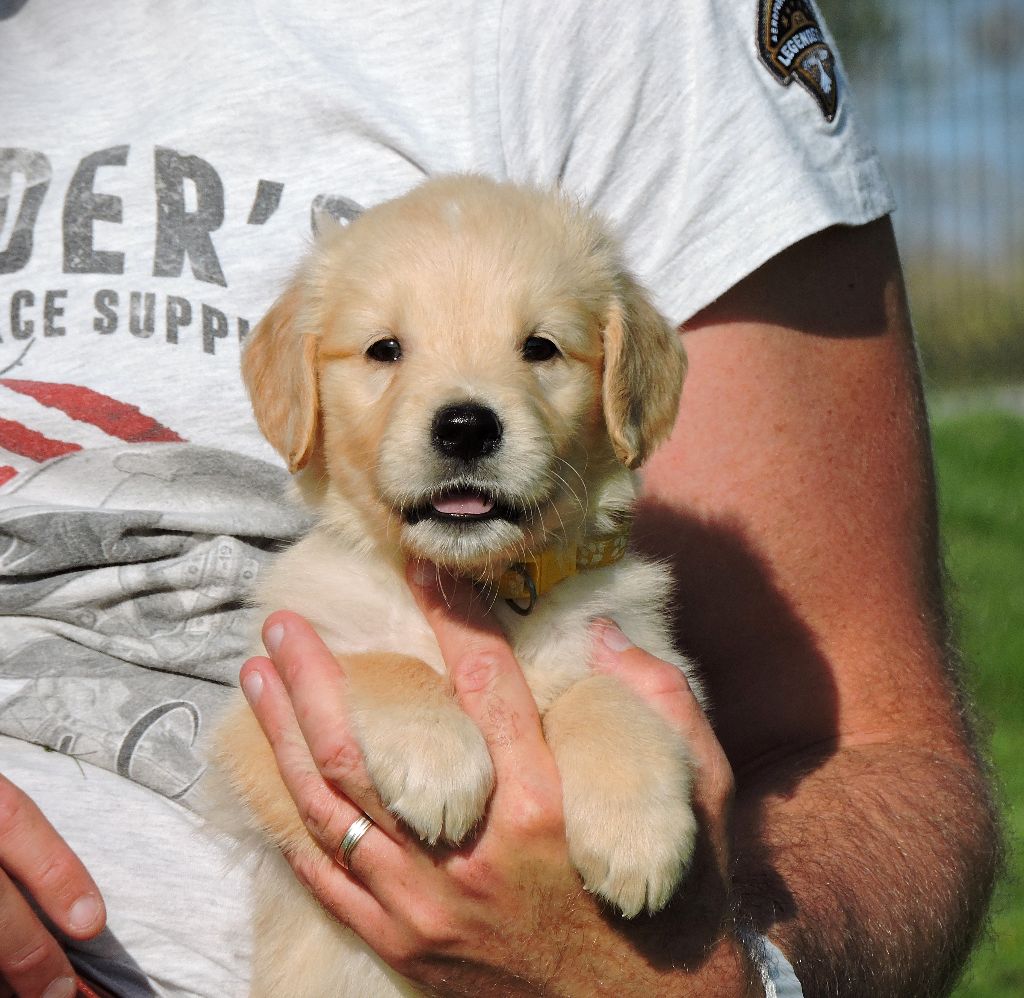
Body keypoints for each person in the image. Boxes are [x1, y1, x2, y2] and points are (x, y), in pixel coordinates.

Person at [0, 2, 999, 997]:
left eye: (541, 348)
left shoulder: (607, 610)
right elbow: (255, 756)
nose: (465, 411)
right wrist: (398, 694)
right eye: (385, 351)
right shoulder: (322, 587)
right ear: (296, 387)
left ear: (620, 386)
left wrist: (677, 942)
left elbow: (832, 742)